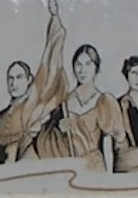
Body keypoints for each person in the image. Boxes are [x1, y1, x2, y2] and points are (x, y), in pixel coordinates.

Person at [0, 0, 72, 164]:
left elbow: (50, 63)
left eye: (19, 77)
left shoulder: (35, 105)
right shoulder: (0, 118)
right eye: (10, 78)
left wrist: (54, 18)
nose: (14, 83)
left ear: (29, 80)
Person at [33, 43, 127, 172]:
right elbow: (45, 135)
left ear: (96, 68)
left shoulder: (104, 101)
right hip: (70, 168)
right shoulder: (64, 101)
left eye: (88, 64)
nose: (83, 70)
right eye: (78, 64)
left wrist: (108, 177)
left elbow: (109, 144)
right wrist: (59, 130)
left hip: (95, 168)